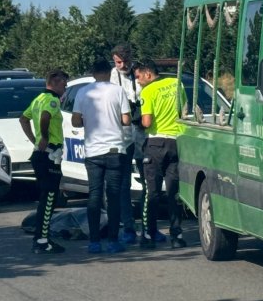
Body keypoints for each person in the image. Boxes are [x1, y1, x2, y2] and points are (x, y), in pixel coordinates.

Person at [73, 58, 131, 254]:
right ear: (109, 72)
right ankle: (114, 241)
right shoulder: (118, 91)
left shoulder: (83, 92)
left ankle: (94, 241)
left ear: (93, 72)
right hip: (115, 150)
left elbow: (75, 121)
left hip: (93, 151)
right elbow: (126, 119)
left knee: (94, 195)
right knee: (113, 196)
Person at [134, 59, 186, 248]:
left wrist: (137, 121)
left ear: (148, 74)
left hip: (155, 143)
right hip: (175, 141)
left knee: (152, 192)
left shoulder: (148, 91)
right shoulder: (176, 83)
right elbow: (183, 110)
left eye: (138, 77)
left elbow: (147, 122)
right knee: (174, 192)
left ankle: (148, 235)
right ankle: (177, 236)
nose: (138, 81)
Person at [19, 68, 69, 254]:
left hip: (40, 155)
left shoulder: (38, 99)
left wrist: (34, 140)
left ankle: (41, 237)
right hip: (49, 155)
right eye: (63, 83)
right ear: (54, 82)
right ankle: (42, 240)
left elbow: (23, 119)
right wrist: (44, 138)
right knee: (49, 198)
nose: (65, 87)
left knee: (45, 198)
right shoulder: (52, 100)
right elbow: (46, 117)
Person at [110, 44, 144, 244]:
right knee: (123, 184)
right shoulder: (112, 77)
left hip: (141, 133)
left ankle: (148, 226)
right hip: (122, 137)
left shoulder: (138, 73)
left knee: (147, 182)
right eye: (118, 62)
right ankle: (128, 226)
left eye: (125, 61)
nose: (122, 65)